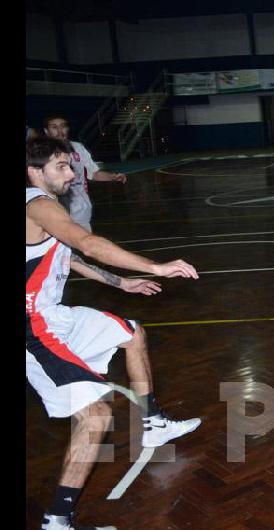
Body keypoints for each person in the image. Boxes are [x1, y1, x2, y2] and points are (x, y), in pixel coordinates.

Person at [26, 137, 202, 530]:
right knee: (96, 417)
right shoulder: (36, 205)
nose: (72, 174)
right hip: (33, 330)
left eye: (71, 165)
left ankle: (153, 422)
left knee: (131, 333)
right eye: (60, 166)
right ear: (34, 171)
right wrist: (155, 267)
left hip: (54, 316)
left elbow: (68, 256)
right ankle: (57, 519)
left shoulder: (43, 208)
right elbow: (87, 243)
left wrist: (121, 284)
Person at [43, 114, 127, 232]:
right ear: (46, 131)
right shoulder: (40, 152)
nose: (59, 130)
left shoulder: (78, 147)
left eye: (63, 126)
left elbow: (94, 173)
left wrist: (112, 176)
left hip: (81, 209)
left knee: (83, 244)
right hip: (54, 208)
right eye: (54, 127)